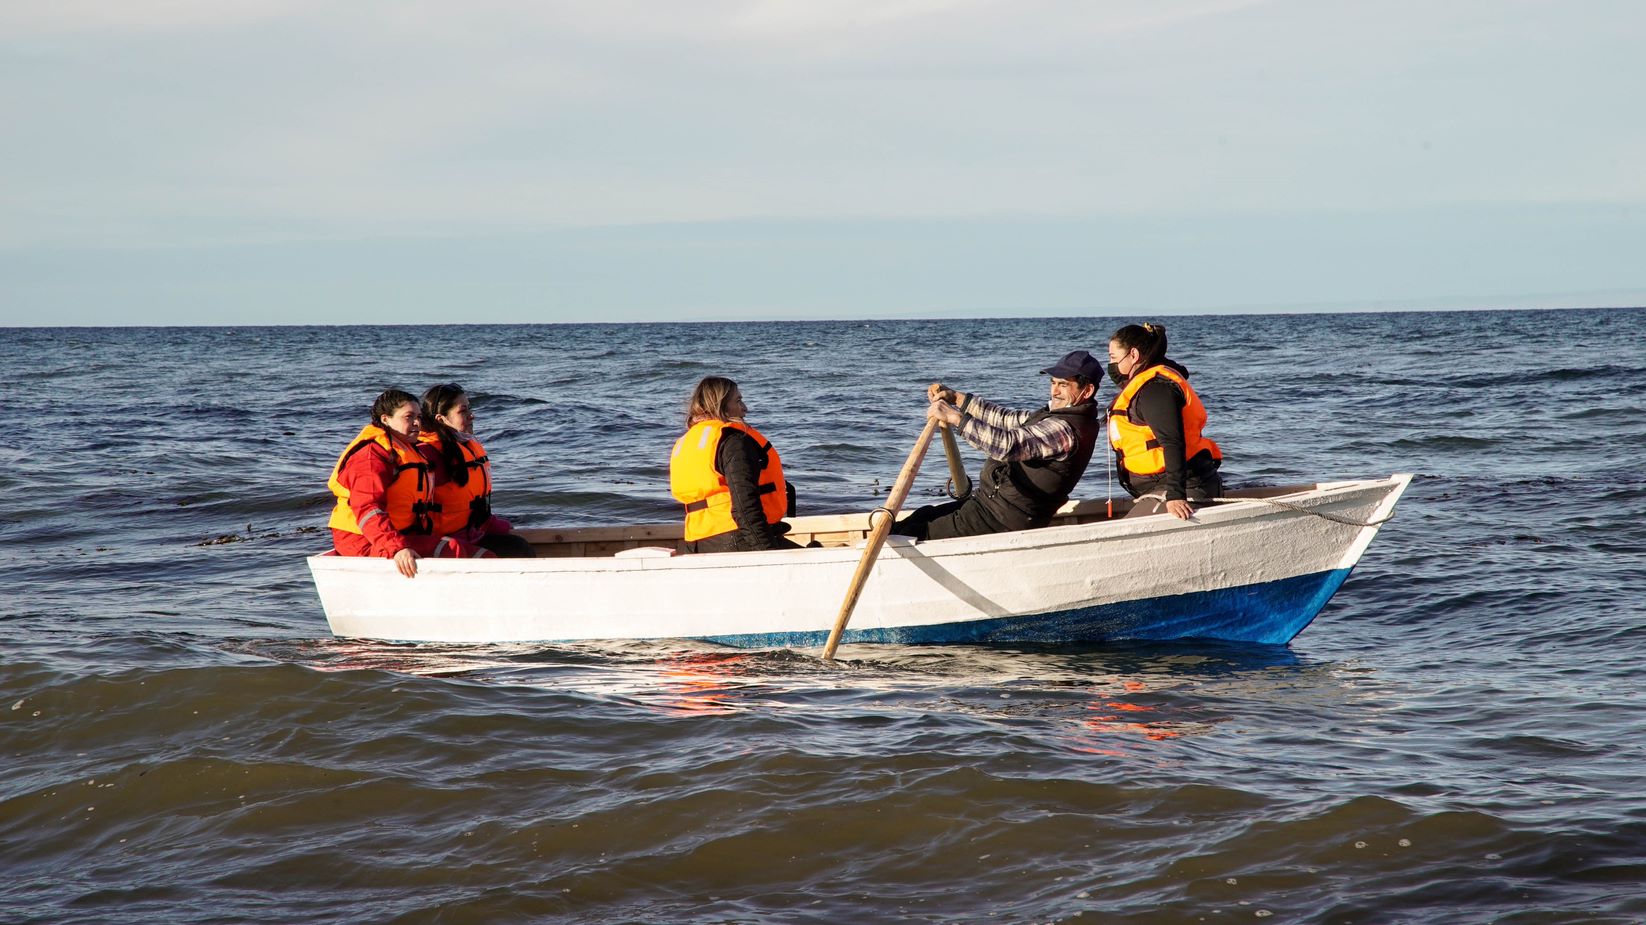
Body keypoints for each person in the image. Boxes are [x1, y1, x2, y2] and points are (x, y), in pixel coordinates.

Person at [893, 350, 1103, 541]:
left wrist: (955, 418)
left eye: (1063, 385)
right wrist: (956, 398)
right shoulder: (1053, 415)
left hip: (1002, 520)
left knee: (915, 535)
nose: (1054, 391)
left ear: (1087, 390)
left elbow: (1007, 445)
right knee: (922, 516)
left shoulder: (1063, 430)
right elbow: (1005, 419)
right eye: (1053, 382)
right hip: (987, 506)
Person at [327, 389, 492, 578]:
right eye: (409, 417)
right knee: (460, 551)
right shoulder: (370, 458)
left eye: (419, 417)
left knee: (495, 549)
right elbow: (368, 509)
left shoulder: (408, 450)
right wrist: (396, 548)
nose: (417, 423)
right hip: (362, 541)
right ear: (385, 419)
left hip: (398, 536)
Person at [1104, 323, 1223, 519]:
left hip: (1187, 486)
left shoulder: (1156, 389)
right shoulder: (1141, 385)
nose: (1111, 365)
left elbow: (1173, 441)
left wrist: (1176, 495)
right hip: (1159, 487)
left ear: (1133, 355)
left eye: (1113, 358)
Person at [670, 376, 801, 554]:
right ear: (721, 405)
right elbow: (745, 507)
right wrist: (769, 553)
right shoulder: (733, 441)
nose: (745, 409)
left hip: (696, 543)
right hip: (735, 538)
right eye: (738, 401)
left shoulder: (686, 442)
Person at [419, 383, 535, 558]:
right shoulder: (427, 455)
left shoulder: (464, 446)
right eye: (463, 411)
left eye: (470, 409)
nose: (472, 416)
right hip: (443, 543)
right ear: (441, 419)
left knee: (518, 544)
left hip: (470, 533)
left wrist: (490, 524)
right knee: (517, 550)